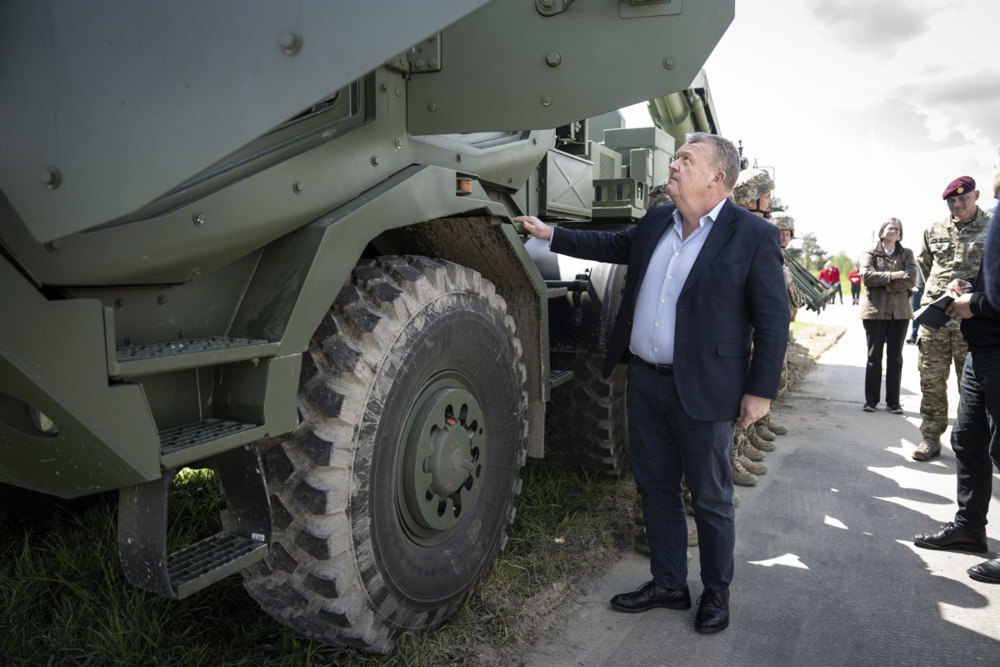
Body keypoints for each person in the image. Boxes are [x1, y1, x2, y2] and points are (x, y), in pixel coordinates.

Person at [514, 133, 789, 634]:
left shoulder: (751, 234)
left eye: (688, 159)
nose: (675, 164)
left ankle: (716, 591)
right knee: (655, 486)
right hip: (644, 380)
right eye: (677, 155)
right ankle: (668, 583)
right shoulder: (659, 220)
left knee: (709, 496)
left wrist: (760, 390)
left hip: (706, 388)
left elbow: (773, 322)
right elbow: (612, 245)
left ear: (717, 177)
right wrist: (550, 233)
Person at [913, 266, 1000, 583]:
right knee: (966, 439)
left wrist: (975, 302)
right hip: (982, 349)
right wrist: (972, 287)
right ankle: (969, 529)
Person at [912, 176, 992, 461]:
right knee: (931, 379)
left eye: (963, 198)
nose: (957, 204)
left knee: (971, 385)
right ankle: (930, 437)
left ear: (977, 195)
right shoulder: (934, 229)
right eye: (951, 200)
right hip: (936, 318)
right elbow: (925, 265)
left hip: (972, 319)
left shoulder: (992, 227)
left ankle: (975, 444)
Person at [859, 218, 917, 413]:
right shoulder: (870, 253)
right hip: (875, 313)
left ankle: (894, 403)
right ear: (882, 232)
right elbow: (866, 277)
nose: (893, 231)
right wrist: (893, 276)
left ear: (900, 234)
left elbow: (910, 280)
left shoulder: (906, 253)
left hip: (900, 313)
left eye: (897, 229)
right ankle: (871, 401)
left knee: (895, 358)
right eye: (890, 227)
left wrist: (883, 283)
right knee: (874, 357)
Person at [906, 265, 925, 344]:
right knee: (916, 313)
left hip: (929, 290)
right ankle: (914, 334)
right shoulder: (915, 260)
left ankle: (926, 336)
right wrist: (912, 286)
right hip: (917, 290)